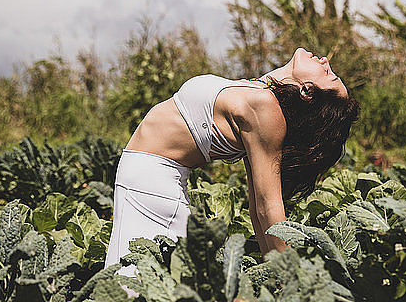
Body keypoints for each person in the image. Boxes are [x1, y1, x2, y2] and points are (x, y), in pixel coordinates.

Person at [104, 47, 360, 278]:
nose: (326, 61)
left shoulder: (265, 109)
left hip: (151, 186)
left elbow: (266, 208)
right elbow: (257, 209)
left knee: (133, 284)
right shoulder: (260, 96)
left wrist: (289, 280)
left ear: (307, 90)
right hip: (150, 182)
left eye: (330, 75)